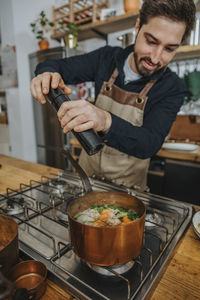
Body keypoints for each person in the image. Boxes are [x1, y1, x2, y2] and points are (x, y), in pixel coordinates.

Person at [30, 0, 196, 190]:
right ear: (137, 27)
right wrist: (47, 74)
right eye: (151, 41)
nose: (156, 58)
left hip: (128, 194)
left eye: (169, 49)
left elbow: (149, 143)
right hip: (84, 182)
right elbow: (53, 66)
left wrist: (105, 121)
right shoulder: (106, 59)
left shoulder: (172, 87)